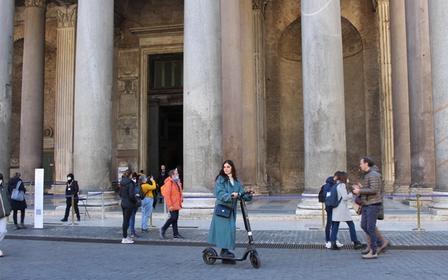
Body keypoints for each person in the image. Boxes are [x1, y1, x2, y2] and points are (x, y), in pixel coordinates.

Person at [207, 160, 253, 261]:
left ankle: (225, 251)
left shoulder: (236, 181)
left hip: (231, 210)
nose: (226, 169)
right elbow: (219, 193)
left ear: (232, 168)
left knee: (230, 230)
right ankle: (224, 251)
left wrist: (248, 195)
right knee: (225, 230)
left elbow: (241, 193)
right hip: (222, 209)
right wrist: (230, 196)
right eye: (224, 167)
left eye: (228, 167)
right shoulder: (220, 179)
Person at [353, 157, 385, 259]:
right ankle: (378, 242)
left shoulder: (374, 175)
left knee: (370, 227)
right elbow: (370, 188)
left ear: (366, 164)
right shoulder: (368, 175)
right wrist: (360, 188)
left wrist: (360, 191)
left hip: (373, 204)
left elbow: (374, 190)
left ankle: (374, 251)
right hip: (366, 204)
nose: (360, 165)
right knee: (364, 225)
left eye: (361, 163)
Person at [329, 171, 362, 250]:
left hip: (336, 208)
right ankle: (355, 242)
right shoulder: (342, 185)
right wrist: (351, 193)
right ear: (344, 177)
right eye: (346, 177)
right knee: (351, 225)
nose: (348, 179)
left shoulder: (336, 185)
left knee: (335, 226)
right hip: (342, 209)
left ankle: (333, 243)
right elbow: (345, 197)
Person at [159, 169, 184, 239]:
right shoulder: (169, 183)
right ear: (173, 175)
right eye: (176, 173)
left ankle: (175, 234)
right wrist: (170, 205)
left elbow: (179, 191)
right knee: (173, 217)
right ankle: (163, 228)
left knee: (175, 219)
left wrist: (181, 199)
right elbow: (167, 195)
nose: (178, 174)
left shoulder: (176, 182)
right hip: (172, 204)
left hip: (176, 203)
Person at [119, 170, 137, 244]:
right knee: (126, 221)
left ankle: (125, 236)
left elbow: (120, 193)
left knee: (125, 220)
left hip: (123, 202)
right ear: (130, 175)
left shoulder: (122, 182)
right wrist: (135, 200)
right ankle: (125, 237)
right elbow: (131, 195)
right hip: (129, 204)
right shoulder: (130, 183)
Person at [0, 173, 12, 257]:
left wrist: (9, 208)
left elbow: (8, 198)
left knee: (3, 231)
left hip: (3, 213)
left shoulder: (4, 187)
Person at [128, 172, 141, 238]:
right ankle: (132, 232)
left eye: (135, 177)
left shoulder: (136, 184)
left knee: (131, 217)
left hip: (135, 203)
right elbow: (131, 194)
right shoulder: (130, 184)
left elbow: (139, 192)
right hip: (132, 203)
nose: (134, 179)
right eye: (133, 177)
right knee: (132, 218)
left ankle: (129, 230)